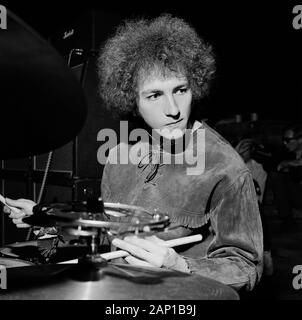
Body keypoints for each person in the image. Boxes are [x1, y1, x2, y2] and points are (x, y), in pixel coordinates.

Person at [4, 14, 263, 292]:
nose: (173, 109)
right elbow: (107, 228)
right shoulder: (120, 153)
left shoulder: (226, 168)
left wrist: (179, 265)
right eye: (154, 96)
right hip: (115, 286)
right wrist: (48, 218)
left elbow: (246, 266)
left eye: (180, 90)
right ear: (132, 99)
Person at [235, 138, 274, 276]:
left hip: (250, 205)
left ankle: (265, 252)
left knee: (255, 210)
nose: (245, 152)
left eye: (248, 148)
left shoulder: (258, 169)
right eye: (242, 148)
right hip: (229, 203)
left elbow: (258, 196)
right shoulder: (229, 162)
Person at [270, 123, 302, 224]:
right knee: (277, 175)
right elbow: (275, 165)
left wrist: (292, 164)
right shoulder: (286, 152)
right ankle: (286, 217)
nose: (285, 143)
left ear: (300, 140)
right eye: (284, 140)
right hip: (296, 195)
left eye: (288, 140)